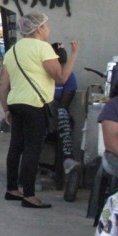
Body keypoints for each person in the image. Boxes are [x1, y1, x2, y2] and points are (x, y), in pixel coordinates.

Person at [0, 12, 79, 208]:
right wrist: (74, 54)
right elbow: (61, 78)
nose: (48, 30)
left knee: (15, 146)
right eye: (47, 26)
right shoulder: (43, 49)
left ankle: (11, 188)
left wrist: (6, 109)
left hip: (15, 103)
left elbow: (2, 83)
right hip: (36, 104)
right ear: (39, 28)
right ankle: (29, 194)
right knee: (32, 149)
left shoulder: (13, 50)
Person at [51, 43, 79, 175]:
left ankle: (67, 157)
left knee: (61, 112)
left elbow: (65, 103)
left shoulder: (69, 76)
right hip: (41, 111)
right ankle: (68, 157)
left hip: (56, 114)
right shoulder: (42, 74)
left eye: (62, 65)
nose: (60, 69)